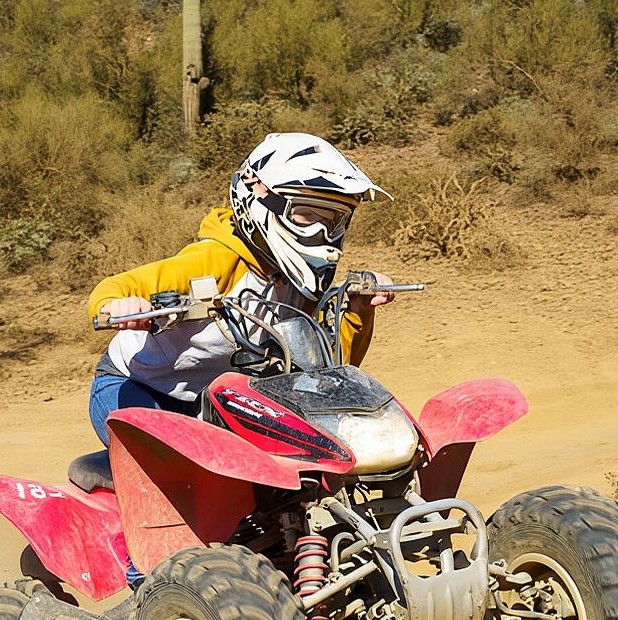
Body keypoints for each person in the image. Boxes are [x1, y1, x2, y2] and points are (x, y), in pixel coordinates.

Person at [85, 132, 395, 446]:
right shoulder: (215, 260)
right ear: (258, 196)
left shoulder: (297, 283)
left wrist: (359, 310)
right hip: (133, 387)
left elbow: (328, 370)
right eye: (307, 214)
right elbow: (118, 286)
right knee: (182, 466)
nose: (322, 232)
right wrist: (118, 306)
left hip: (217, 401)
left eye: (334, 219)